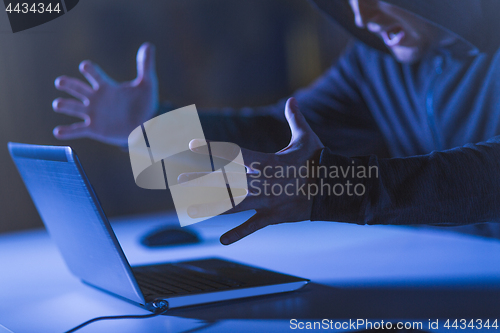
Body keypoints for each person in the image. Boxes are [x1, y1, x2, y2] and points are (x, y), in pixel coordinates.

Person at [52, 0, 500, 245]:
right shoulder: (375, 60)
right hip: (450, 260)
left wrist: (330, 189)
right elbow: (280, 135)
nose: (362, 16)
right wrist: (151, 127)